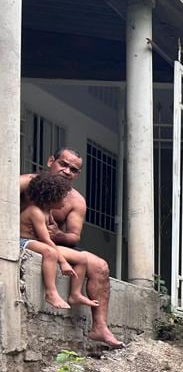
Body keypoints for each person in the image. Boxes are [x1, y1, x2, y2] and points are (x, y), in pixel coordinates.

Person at [19, 149, 122, 347]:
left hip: (52, 243)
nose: (67, 171)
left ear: (78, 174)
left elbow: (74, 236)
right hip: (23, 239)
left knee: (100, 265)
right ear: (51, 161)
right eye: (63, 164)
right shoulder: (28, 182)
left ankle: (100, 327)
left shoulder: (75, 200)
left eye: (73, 169)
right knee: (52, 251)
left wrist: (59, 235)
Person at [20, 173, 96, 311]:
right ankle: (51, 293)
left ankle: (75, 294)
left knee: (82, 258)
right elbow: (46, 240)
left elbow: (49, 234)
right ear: (51, 197)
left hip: (37, 242)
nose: (66, 201)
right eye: (63, 197)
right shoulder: (35, 212)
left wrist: (55, 232)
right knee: (50, 253)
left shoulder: (47, 211)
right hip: (24, 242)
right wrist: (63, 262)